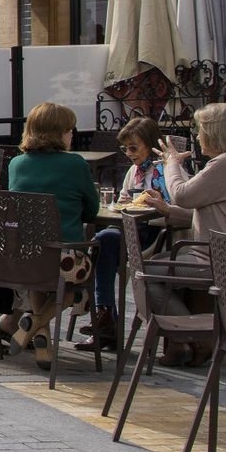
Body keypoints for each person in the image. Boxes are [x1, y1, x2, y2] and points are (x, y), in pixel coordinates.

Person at [142, 102, 226, 365]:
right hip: (224, 254)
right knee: (161, 266)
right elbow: (208, 214)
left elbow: (183, 194)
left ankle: (197, 336)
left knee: (143, 273)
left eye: (200, 130)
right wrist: (166, 210)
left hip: (220, 259)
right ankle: (189, 339)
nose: (197, 137)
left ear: (213, 132)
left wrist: (170, 164)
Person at [6, 102, 99, 369]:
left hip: (23, 258)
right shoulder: (75, 163)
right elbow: (92, 211)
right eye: (70, 130)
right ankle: (34, 324)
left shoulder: (16, 164)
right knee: (78, 283)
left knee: (40, 273)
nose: (72, 135)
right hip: (64, 260)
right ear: (59, 133)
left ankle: (41, 343)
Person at [81, 117, 174, 352]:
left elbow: (173, 207)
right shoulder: (135, 171)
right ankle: (104, 315)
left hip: (155, 234)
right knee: (101, 242)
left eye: (134, 147)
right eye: (126, 148)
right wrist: (123, 202)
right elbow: (124, 199)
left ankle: (104, 316)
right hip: (130, 229)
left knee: (103, 241)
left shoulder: (164, 170)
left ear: (150, 143)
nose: (129, 154)